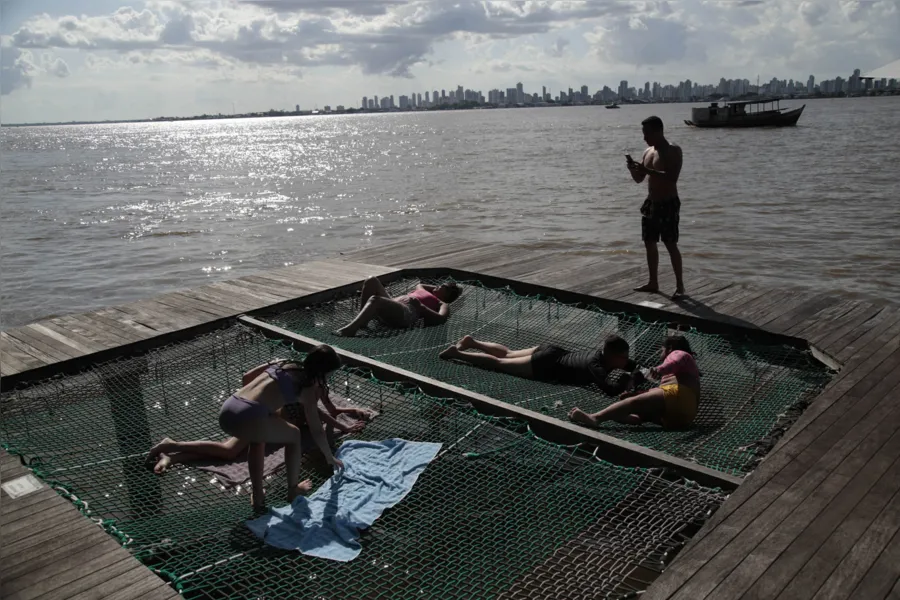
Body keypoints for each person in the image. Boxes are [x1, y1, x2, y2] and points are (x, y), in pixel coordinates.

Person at [214, 345, 347, 509]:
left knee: (258, 439)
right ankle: (293, 489)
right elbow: (316, 429)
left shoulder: (284, 363)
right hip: (249, 416)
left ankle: (257, 496)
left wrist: (267, 408)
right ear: (323, 371)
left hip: (228, 409)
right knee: (294, 435)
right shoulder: (309, 387)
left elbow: (247, 377)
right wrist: (329, 456)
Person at [146, 400, 372, 475]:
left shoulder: (307, 399)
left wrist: (349, 411)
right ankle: (172, 445)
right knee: (229, 451)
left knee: (229, 450)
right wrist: (346, 427)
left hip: (265, 420)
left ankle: (173, 458)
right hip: (262, 420)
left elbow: (328, 413)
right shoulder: (304, 400)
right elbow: (324, 416)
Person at [568, 335, 700, 430]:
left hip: (681, 396)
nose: (660, 353)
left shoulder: (680, 353)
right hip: (679, 419)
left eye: (661, 350)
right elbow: (661, 392)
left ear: (669, 348)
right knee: (642, 406)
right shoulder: (685, 371)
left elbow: (674, 361)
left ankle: (596, 418)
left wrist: (659, 369)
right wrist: (640, 393)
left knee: (633, 403)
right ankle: (633, 416)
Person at [439, 334, 639, 396]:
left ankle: (473, 342)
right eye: (623, 357)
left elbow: (631, 364)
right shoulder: (596, 367)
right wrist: (629, 382)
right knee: (501, 363)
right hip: (547, 365)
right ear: (613, 356)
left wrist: (636, 371)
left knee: (508, 353)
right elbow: (610, 390)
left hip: (553, 350)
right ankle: (458, 353)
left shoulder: (603, 356)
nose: (625, 360)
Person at [628, 116, 685, 299]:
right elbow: (639, 179)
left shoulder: (673, 150)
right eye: (643, 134)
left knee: (670, 244)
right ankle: (653, 282)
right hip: (651, 203)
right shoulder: (647, 152)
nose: (644, 138)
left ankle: (680, 286)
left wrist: (647, 171)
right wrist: (632, 169)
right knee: (649, 242)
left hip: (668, 202)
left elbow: (672, 177)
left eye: (647, 133)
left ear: (659, 131)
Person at [335, 277, 462, 337]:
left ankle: (351, 329)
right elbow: (421, 283)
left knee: (375, 300)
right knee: (371, 281)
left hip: (407, 313)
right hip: (393, 304)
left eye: (443, 287)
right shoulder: (423, 289)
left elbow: (441, 318)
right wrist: (436, 289)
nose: (438, 286)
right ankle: (363, 320)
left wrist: (421, 307)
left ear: (447, 295)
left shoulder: (442, 303)